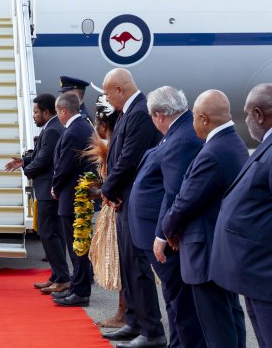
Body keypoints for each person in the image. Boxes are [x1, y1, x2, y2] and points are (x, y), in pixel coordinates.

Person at [162, 90, 248, 347]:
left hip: (207, 252)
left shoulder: (213, 152)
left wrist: (168, 230)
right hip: (221, 249)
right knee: (230, 317)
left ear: (203, 118)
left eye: (194, 119)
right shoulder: (234, 143)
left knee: (217, 327)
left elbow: (185, 200)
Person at [127, 86, 206, 348]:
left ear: (160, 114)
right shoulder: (176, 132)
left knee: (181, 304)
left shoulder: (182, 138)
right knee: (174, 300)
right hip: (154, 232)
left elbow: (174, 193)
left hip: (164, 237)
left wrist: (163, 233)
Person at [99, 69, 165, 347]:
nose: (104, 98)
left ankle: (152, 332)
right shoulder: (129, 111)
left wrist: (107, 189)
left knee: (138, 267)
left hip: (132, 200)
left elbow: (129, 159)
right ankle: (134, 322)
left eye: (106, 92)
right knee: (128, 265)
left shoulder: (139, 111)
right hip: (124, 198)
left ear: (119, 90)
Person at [210, 83, 272, 348]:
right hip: (255, 274)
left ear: (259, 115)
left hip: (264, 274)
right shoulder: (266, 145)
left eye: (247, 115)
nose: (245, 121)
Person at [4, 94, 70, 294]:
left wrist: (27, 169)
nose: (33, 115)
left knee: (48, 234)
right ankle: (57, 276)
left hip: (48, 191)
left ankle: (63, 278)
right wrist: (25, 161)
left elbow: (43, 159)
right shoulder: (51, 128)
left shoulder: (51, 130)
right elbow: (41, 154)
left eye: (35, 112)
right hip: (49, 190)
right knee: (53, 234)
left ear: (46, 112)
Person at [49, 93, 94, 307]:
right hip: (77, 194)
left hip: (72, 195)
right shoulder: (83, 126)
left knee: (77, 246)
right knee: (78, 245)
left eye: (58, 111)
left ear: (63, 110)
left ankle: (81, 291)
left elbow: (64, 166)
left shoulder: (74, 131)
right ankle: (77, 287)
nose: (58, 115)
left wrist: (55, 188)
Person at [85, 94, 126, 328]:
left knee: (119, 263)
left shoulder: (112, 149)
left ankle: (123, 312)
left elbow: (112, 181)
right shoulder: (112, 146)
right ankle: (123, 311)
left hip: (113, 211)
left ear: (102, 125)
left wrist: (98, 191)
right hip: (110, 210)